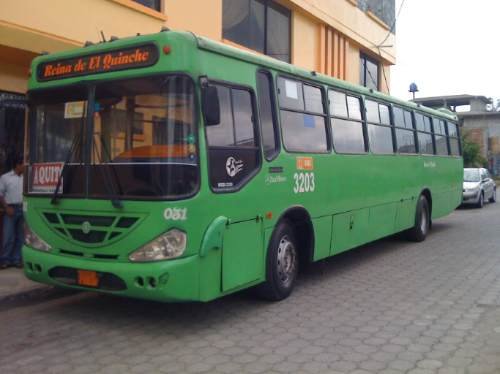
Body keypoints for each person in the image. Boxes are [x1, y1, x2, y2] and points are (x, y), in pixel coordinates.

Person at [0, 156, 24, 269]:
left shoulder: (26, 177)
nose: (25, 166)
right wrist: (6, 207)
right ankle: (5, 260)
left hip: (23, 208)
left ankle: (16, 259)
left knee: (21, 237)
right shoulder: (5, 177)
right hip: (10, 208)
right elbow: (0, 194)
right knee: (8, 237)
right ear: (17, 165)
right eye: (23, 164)